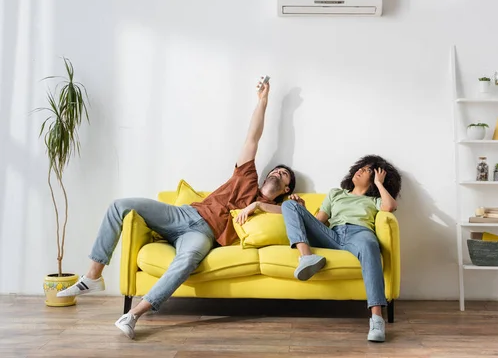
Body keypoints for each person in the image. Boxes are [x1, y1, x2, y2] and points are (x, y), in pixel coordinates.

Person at [58, 78, 296, 339]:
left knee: (187, 261)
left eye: (283, 174)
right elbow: (253, 136)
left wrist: (259, 205)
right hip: (184, 214)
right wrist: (263, 102)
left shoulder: (277, 209)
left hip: (203, 235)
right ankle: (93, 276)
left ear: (286, 189)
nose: (278, 172)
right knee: (120, 205)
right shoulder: (246, 175)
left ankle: (133, 315)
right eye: (276, 169)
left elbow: (294, 216)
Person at [281, 155, 401, 343]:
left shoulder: (374, 200)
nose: (360, 170)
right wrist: (303, 211)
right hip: (332, 234)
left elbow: (390, 206)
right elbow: (320, 222)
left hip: (359, 234)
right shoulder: (335, 194)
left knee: (370, 245)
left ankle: (377, 319)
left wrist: (379, 183)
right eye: (360, 167)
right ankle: (306, 257)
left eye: (368, 170)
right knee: (289, 205)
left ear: (377, 177)